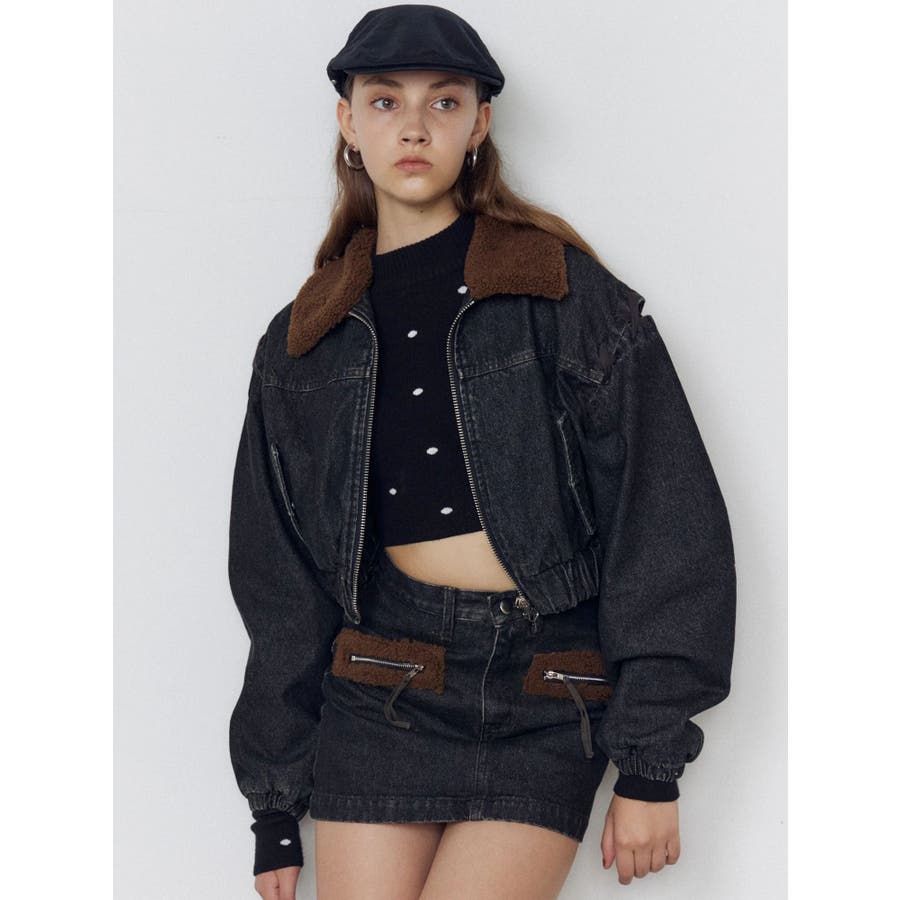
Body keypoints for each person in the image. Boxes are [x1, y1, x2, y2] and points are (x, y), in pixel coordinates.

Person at [226, 5, 737, 898]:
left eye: (444, 101)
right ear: (348, 121)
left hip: (546, 690)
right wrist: (275, 802)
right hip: (382, 682)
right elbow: (278, 578)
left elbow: (664, 514)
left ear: (479, 123)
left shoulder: (560, 292)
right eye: (384, 101)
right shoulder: (306, 340)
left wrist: (651, 765)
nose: (414, 126)